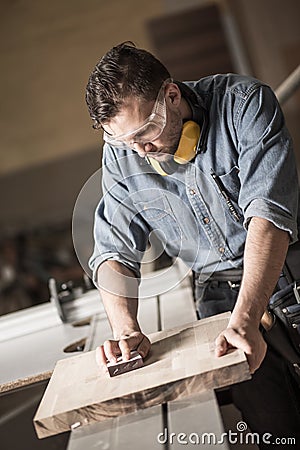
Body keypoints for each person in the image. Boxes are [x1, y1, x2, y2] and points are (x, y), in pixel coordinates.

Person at [85, 42, 300, 443]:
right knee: (277, 433)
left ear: (171, 94)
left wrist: (248, 317)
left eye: (145, 131)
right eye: (123, 142)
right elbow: (113, 249)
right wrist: (126, 330)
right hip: (218, 301)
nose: (140, 150)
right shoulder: (122, 153)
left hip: (288, 279)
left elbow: (268, 216)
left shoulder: (244, 104)